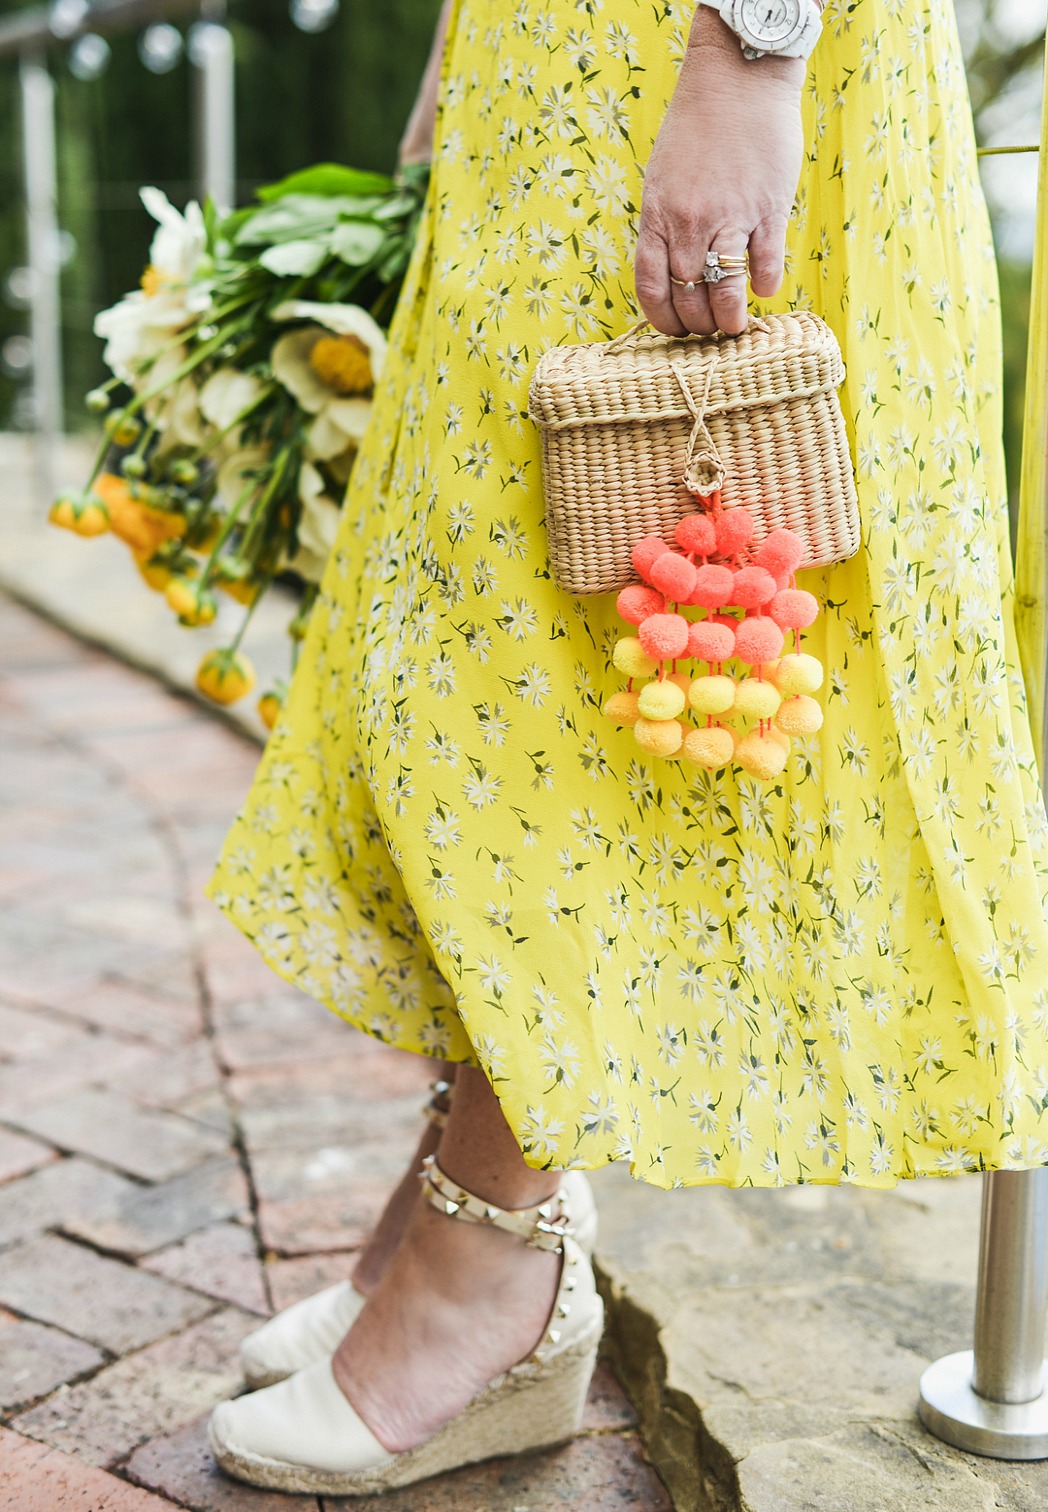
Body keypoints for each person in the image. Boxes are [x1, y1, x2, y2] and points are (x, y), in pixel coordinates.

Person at [206, 0, 1048, 1495]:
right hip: (563, 56)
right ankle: (460, 1197)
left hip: (682, 46)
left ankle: (496, 1262)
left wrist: (751, 54)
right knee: (482, 669)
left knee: (593, 669)